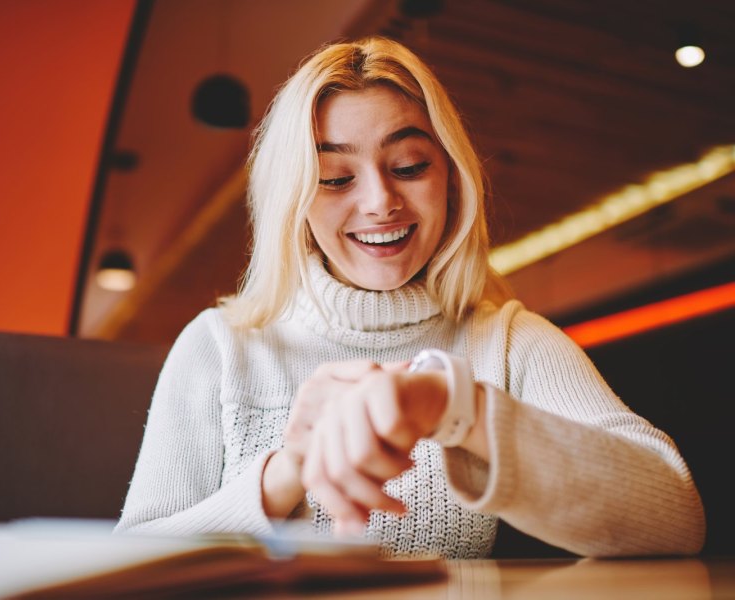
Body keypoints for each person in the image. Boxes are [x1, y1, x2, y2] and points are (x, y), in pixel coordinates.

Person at [115, 37, 705, 558]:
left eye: (409, 165)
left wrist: (458, 406)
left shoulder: (506, 340)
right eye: (336, 178)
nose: (379, 201)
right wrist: (289, 470)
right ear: (294, 199)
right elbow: (128, 560)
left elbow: (677, 516)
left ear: (450, 175)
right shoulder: (220, 347)